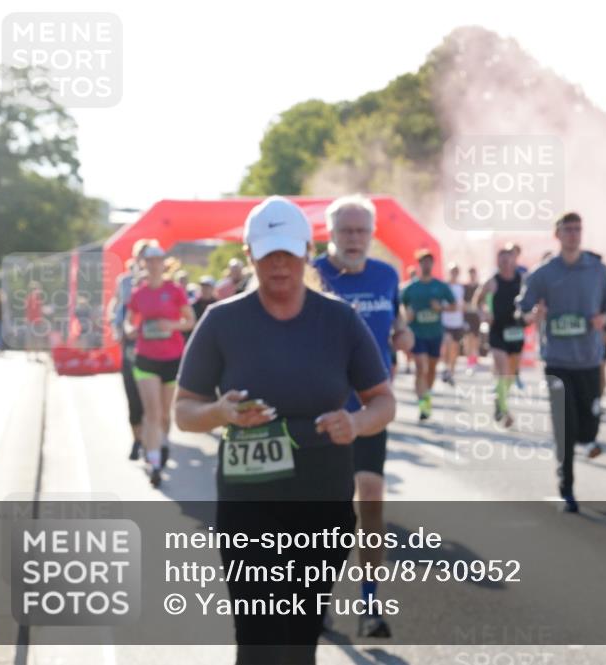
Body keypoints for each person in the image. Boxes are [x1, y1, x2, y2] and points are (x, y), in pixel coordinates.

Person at [175, 196, 395, 665]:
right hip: (248, 502)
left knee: (299, 638)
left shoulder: (339, 319)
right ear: (250, 255)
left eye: (288, 254)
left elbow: (383, 400)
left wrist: (356, 422)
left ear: (307, 253)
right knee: (259, 637)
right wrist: (220, 411)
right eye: (268, 254)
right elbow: (184, 411)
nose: (279, 264)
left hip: (322, 499)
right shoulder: (222, 321)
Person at [314, 194, 412, 638]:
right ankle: (319, 599)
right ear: (331, 234)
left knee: (370, 500)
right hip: (323, 410)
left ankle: (370, 604)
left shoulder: (386, 275)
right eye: (346, 231)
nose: (354, 239)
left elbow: (397, 320)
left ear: (372, 234)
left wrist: (403, 334)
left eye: (361, 231)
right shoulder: (311, 275)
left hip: (371, 408)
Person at [518, 212, 606, 513]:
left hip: (589, 359)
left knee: (588, 425)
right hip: (557, 361)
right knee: (565, 426)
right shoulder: (543, 273)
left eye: (577, 229)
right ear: (556, 234)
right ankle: (566, 485)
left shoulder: (598, 270)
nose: (573, 234)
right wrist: (533, 315)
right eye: (568, 229)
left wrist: (603, 318)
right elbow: (522, 310)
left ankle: (588, 438)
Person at [126, 244, 195, 487]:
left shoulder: (174, 290)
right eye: (149, 260)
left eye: (158, 260)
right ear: (144, 264)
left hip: (172, 358)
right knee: (152, 412)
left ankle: (163, 442)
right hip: (146, 358)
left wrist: (171, 325)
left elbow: (190, 320)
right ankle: (154, 462)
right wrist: (131, 329)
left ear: (164, 263)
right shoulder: (139, 293)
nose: (154, 264)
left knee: (165, 413)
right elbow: (128, 322)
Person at [401, 250, 457, 422]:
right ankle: (423, 405)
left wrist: (441, 308)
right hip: (417, 334)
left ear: (432, 264)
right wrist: (406, 315)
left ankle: (426, 396)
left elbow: (454, 306)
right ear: (418, 265)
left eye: (429, 262)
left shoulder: (440, 286)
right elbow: (400, 307)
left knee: (431, 369)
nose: (426, 265)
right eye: (423, 262)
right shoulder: (410, 288)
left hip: (435, 333)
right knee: (420, 367)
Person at [474, 248, 524, 427]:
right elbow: (477, 301)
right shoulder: (492, 282)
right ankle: (504, 410)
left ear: (514, 260)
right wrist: (484, 313)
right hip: (497, 330)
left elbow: (532, 299)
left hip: (516, 330)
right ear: (497, 262)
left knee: (511, 372)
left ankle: (499, 399)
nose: (505, 263)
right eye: (501, 260)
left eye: (508, 259)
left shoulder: (522, 280)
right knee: (503, 369)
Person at [109, 253, 146, 460]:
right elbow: (116, 307)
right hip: (131, 345)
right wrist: (117, 328)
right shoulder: (124, 282)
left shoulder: (160, 285)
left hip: (154, 348)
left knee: (151, 399)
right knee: (133, 395)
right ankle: (137, 439)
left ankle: (152, 445)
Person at [440, 263, 466, 386]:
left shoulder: (461, 287)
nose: (454, 274)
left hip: (458, 322)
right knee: (447, 345)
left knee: (455, 348)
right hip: (446, 322)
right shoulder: (444, 287)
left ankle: (452, 372)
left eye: (456, 271)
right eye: (452, 271)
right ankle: (445, 368)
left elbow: (463, 304)